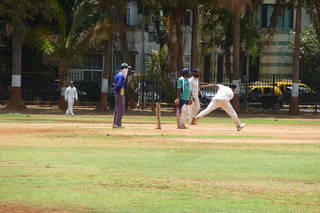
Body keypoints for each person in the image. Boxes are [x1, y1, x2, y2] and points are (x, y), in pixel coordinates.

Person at [112, 63, 131, 128]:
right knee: (121, 109)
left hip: (118, 93)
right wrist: (115, 89)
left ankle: (115, 123)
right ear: (124, 69)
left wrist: (114, 89)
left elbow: (116, 84)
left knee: (117, 108)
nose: (128, 70)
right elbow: (120, 85)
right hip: (120, 93)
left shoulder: (118, 74)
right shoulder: (122, 75)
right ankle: (118, 124)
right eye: (127, 68)